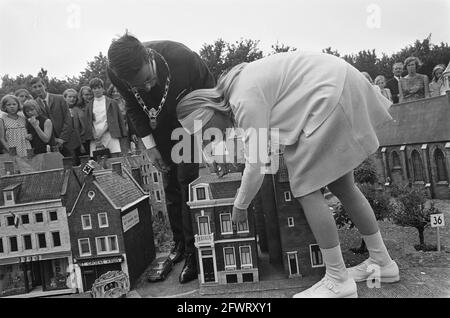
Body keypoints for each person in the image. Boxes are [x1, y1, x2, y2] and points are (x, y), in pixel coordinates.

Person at [177, 51, 399, 298]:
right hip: (339, 83)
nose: (206, 137)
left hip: (328, 95)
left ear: (208, 113)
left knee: (306, 188)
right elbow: (254, 141)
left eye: (203, 131)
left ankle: (338, 280)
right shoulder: (237, 87)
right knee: (343, 185)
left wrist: (240, 205)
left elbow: (257, 164)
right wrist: (214, 154)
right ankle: (382, 261)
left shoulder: (243, 101)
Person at [107, 33, 215, 284]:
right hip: (158, 126)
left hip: (188, 120)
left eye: (147, 79)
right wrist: (150, 146)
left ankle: (193, 251)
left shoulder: (182, 58)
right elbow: (133, 106)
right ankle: (178, 244)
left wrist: (208, 137)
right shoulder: (116, 71)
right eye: (137, 85)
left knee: (186, 180)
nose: (145, 87)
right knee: (169, 182)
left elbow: (210, 92)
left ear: (148, 56)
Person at [30, 77, 74, 157]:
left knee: (70, 164)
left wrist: (62, 139)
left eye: (40, 86)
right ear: (32, 89)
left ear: (45, 86)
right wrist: (52, 140)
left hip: (67, 140)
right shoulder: (34, 104)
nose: (38, 89)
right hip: (49, 143)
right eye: (35, 87)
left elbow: (68, 120)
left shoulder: (60, 98)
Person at [84, 78, 127, 158]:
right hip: (95, 138)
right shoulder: (89, 105)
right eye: (94, 88)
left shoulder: (112, 103)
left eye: (99, 88)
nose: (97, 90)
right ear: (92, 90)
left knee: (116, 160)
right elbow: (89, 123)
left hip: (110, 135)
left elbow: (115, 120)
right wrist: (95, 135)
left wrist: (102, 133)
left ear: (103, 88)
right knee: (98, 163)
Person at [107, 84, 132, 153]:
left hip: (127, 130)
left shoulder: (125, 102)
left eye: (117, 91)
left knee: (127, 151)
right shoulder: (109, 104)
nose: (115, 93)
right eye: (113, 92)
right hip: (115, 131)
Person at [63, 88, 86, 163]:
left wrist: (81, 143)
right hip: (64, 142)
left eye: (74, 97)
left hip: (78, 142)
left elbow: (82, 127)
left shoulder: (78, 110)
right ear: (65, 97)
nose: (72, 99)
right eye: (69, 97)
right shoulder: (61, 109)